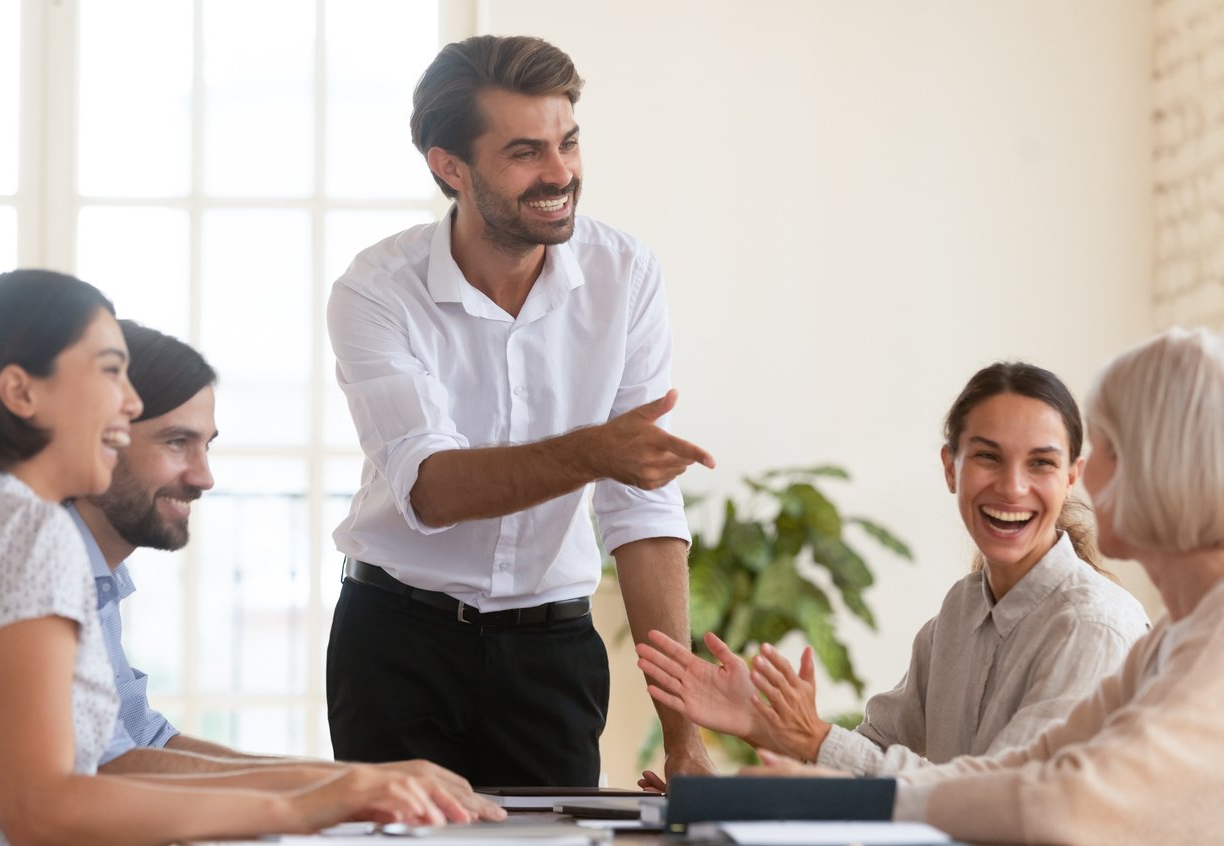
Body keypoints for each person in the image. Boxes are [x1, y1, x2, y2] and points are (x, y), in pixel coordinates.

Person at [0, 270, 469, 845]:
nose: (126, 404)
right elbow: (42, 805)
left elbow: (105, 753)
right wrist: (309, 806)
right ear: (21, 392)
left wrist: (333, 787)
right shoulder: (31, 530)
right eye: (108, 370)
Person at [326, 34, 716, 786]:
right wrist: (595, 452)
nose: (561, 173)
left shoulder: (624, 275)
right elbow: (433, 490)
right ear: (450, 167)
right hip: (395, 641)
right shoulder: (375, 291)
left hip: (550, 652)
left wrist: (683, 738)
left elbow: (642, 511)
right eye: (525, 152)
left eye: (568, 143)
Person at [746, 328, 1224, 846]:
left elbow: (1064, 804)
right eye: (989, 457)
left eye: (1105, 444)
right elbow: (1021, 770)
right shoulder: (1175, 636)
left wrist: (849, 784)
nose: (1085, 476)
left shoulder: (1167, 638)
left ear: (1157, 467)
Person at [69, 319, 500, 821]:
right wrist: (336, 790)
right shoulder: (49, 564)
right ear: (100, 436)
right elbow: (109, 767)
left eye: (205, 445)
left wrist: (350, 781)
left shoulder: (98, 578)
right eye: (175, 442)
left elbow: (146, 741)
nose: (204, 477)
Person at [637, 362, 1148, 782]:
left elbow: (1005, 797)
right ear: (951, 468)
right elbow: (871, 753)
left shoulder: (1093, 626)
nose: (1013, 488)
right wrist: (761, 727)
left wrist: (813, 738)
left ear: (1072, 476)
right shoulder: (960, 611)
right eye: (988, 457)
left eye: (1040, 464)